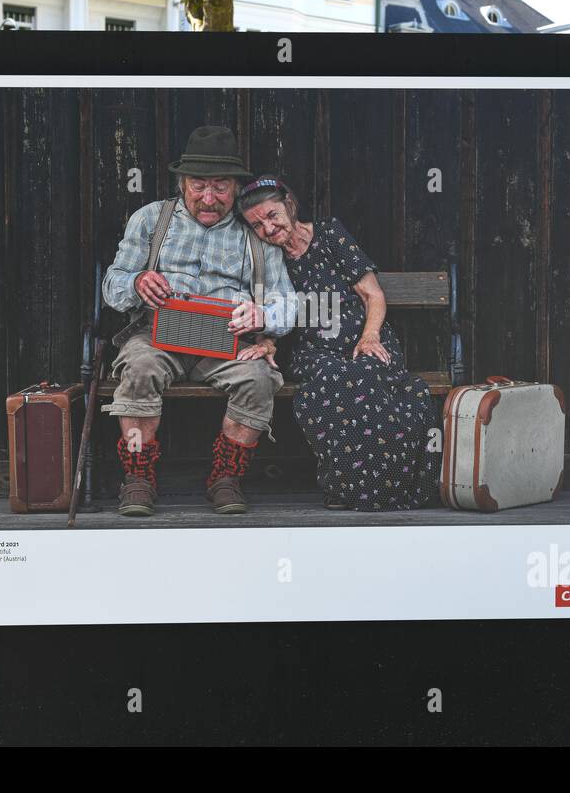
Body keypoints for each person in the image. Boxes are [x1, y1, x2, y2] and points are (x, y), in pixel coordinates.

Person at [100, 127, 297, 517]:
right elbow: (112, 284)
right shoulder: (151, 220)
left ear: (236, 188)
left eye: (221, 187)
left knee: (257, 379)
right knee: (138, 368)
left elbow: (287, 303)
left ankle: (226, 478)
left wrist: (263, 314)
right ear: (182, 184)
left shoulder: (254, 232)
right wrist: (138, 282)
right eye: (198, 185)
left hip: (227, 340)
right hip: (156, 334)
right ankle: (138, 476)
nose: (209, 198)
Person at [236, 175, 441, 511]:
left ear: (289, 205)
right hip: (315, 351)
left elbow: (371, 293)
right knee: (335, 383)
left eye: (272, 215)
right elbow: (270, 307)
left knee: (373, 378)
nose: (269, 229)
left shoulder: (329, 234)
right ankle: (355, 485)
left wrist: (370, 335)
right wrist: (268, 343)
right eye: (257, 225)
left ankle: (390, 483)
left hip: (364, 337)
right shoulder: (270, 260)